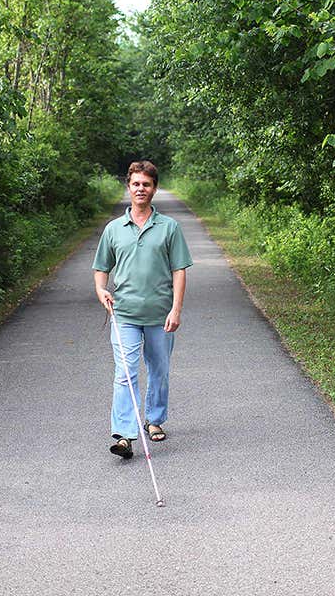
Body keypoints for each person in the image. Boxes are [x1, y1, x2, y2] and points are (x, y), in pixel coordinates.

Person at [92, 160, 193, 459]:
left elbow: (179, 270)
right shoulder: (114, 229)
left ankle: (154, 419)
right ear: (128, 186)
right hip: (124, 314)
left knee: (159, 370)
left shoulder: (169, 227)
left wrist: (176, 310)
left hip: (161, 315)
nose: (140, 189)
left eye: (146, 184)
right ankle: (124, 435)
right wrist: (101, 289)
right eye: (136, 184)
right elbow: (101, 268)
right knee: (125, 373)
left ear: (154, 189)